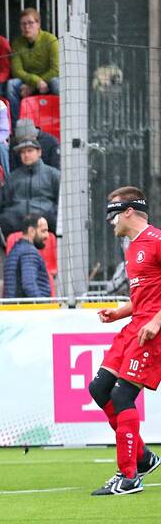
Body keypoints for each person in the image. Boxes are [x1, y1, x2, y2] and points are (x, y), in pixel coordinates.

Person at [88, 187, 161, 495]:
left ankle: (128, 476)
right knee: (99, 388)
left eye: (112, 214)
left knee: (121, 397)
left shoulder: (156, 241)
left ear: (129, 211)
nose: (110, 221)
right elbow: (143, 297)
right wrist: (119, 313)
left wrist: (157, 320)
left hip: (153, 328)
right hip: (136, 324)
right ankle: (142, 457)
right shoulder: (132, 248)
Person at [6, 8, 60, 123]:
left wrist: (34, 86)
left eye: (30, 23)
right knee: (11, 85)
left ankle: (61, 124)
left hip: (47, 80)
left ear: (38, 24)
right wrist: (36, 81)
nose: (26, 27)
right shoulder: (17, 43)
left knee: (57, 83)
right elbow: (17, 71)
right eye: (23, 24)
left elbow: (56, 69)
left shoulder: (50, 39)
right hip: (28, 82)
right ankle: (17, 126)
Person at [0, 137, 61, 236]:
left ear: (39, 152)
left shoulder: (54, 174)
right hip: (18, 222)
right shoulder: (12, 177)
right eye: (22, 152)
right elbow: (6, 203)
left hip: (46, 221)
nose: (26, 155)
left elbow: (61, 203)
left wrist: (49, 214)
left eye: (30, 151)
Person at [2, 213, 51, 298]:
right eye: (43, 231)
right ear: (31, 231)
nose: (47, 236)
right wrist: (43, 305)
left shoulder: (14, 251)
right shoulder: (29, 252)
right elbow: (29, 285)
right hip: (30, 310)